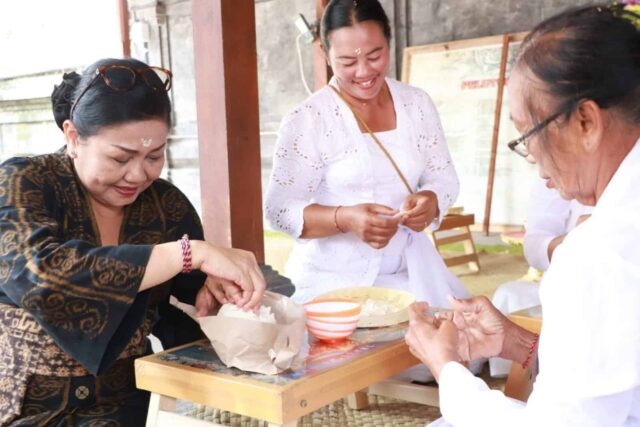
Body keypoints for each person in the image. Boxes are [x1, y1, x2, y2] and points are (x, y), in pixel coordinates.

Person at [406, 3, 640, 425]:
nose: (531, 157)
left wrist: (449, 370)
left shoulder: (597, 251)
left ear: (586, 120)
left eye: (527, 135)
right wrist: (520, 344)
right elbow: (614, 369)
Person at [0, 58, 266, 425]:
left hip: (125, 406)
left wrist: (222, 296)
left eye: (154, 156)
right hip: (25, 407)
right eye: (120, 157)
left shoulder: (166, 205)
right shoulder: (23, 182)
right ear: (73, 137)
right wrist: (189, 254)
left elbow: (187, 298)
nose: (139, 174)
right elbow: (42, 275)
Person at [264, 0, 469, 308]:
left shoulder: (416, 104)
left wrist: (431, 200)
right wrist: (344, 218)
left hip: (410, 276)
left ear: (389, 41)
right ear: (326, 54)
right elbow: (279, 210)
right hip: (331, 285)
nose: (363, 72)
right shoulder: (308, 119)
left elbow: (443, 176)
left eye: (375, 56)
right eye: (347, 62)